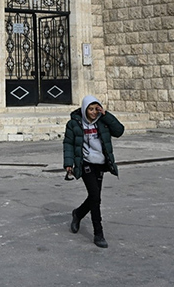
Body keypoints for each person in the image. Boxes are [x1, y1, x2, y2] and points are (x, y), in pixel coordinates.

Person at [63, 95, 124, 248]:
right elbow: (68, 143)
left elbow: (119, 131)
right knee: (96, 197)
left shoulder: (103, 122)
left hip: (100, 164)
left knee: (94, 197)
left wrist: (106, 115)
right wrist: (68, 163)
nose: (93, 112)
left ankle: (78, 213)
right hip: (85, 163)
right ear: (84, 109)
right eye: (90, 109)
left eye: (96, 109)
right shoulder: (74, 124)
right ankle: (99, 233)